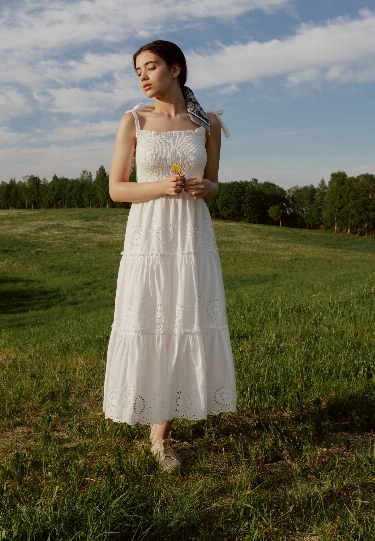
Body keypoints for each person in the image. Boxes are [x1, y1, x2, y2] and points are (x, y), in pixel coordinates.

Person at [103, 40, 236, 470]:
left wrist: (203, 188)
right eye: (138, 70)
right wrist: (160, 187)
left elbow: (214, 185)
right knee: (152, 321)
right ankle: (152, 415)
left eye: (151, 66)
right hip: (148, 238)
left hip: (191, 237)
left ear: (176, 69)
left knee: (184, 322)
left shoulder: (207, 124)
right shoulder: (133, 120)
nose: (142, 75)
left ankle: (160, 438)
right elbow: (117, 189)